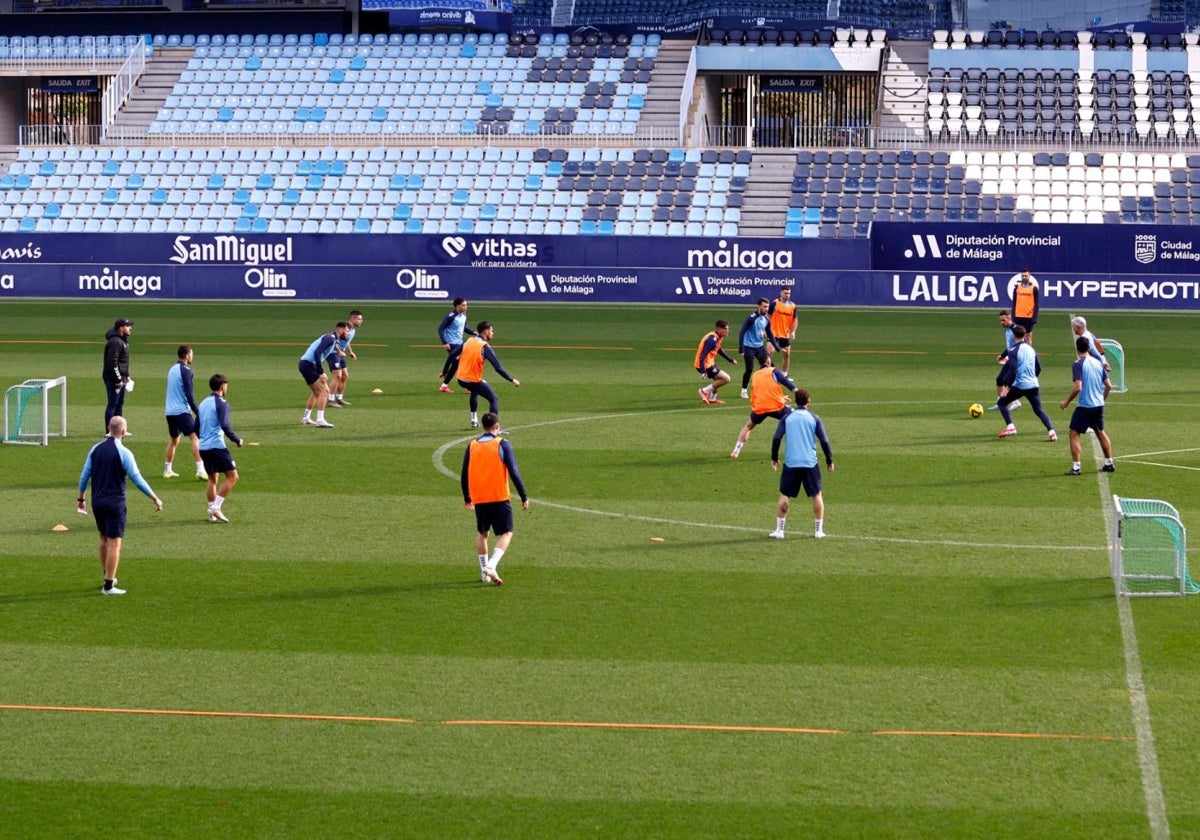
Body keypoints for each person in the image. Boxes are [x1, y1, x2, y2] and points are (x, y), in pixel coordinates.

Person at [76, 415, 163, 595]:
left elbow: (85, 476)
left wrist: (81, 499)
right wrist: (154, 497)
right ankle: (109, 586)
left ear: (109, 429)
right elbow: (137, 479)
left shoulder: (95, 449)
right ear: (123, 432)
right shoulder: (124, 453)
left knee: (103, 538)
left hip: (97, 502)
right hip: (115, 503)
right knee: (115, 543)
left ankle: (107, 575)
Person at [461, 411, 529, 585]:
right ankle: (491, 565)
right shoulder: (502, 444)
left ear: (483, 426)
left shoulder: (472, 445)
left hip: (479, 497)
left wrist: (467, 497)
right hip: (498, 496)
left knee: (482, 533)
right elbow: (514, 472)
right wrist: (523, 495)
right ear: (497, 426)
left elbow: (464, 474)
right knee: (507, 532)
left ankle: (484, 573)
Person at [769, 388, 834, 539]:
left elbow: (777, 438)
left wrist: (774, 457)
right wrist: (829, 460)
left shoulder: (787, 418)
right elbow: (824, 441)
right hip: (810, 463)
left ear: (795, 401)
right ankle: (818, 530)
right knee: (816, 495)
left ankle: (780, 530)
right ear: (808, 401)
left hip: (791, 463)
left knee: (785, 495)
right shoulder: (814, 418)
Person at [1059, 335, 1116, 476]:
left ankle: (1076, 467)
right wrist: (1101, 399)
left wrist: (1066, 401)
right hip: (1098, 405)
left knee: (1073, 433)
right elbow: (1108, 386)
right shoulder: (1098, 363)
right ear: (1089, 348)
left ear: (1077, 349)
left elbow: (1078, 387)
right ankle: (1109, 463)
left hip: (1085, 406)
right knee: (1100, 432)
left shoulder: (1078, 364)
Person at [453, 321, 520, 429]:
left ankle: (474, 419)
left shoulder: (469, 341)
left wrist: (445, 371)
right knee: (494, 399)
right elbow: (498, 368)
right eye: (492, 331)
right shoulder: (485, 347)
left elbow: (452, 354)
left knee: (474, 391)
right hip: (472, 379)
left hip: (461, 378)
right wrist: (512, 379)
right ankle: (494, 428)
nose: (493, 333)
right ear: (486, 331)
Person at [996, 325, 1057, 441]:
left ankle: (1011, 426)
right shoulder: (1031, 349)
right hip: (1033, 385)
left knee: (1001, 403)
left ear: (1014, 336)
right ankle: (1052, 432)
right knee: (1039, 410)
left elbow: (1013, 368)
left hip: (1020, 385)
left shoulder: (1013, 350)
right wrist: (1032, 378)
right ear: (1025, 335)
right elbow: (1039, 367)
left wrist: (1006, 387)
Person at [197, 373, 243, 522]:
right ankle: (216, 507)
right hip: (216, 446)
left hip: (203, 447)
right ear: (223, 386)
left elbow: (195, 426)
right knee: (232, 477)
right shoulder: (222, 403)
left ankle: (211, 512)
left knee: (212, 478)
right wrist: (237, 440)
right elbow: (225, 425)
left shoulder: (203, 403)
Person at [730, 356, 797, 459]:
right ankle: (797, 449)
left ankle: (736, 451)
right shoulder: (774, 371)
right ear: (768, 361)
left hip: (760, 407)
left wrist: (781, 397)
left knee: (748, 426)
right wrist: (799, 393)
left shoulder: (755, 375)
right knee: (796, 418)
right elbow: (788, 384)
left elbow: (763, 392)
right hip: (776, 407)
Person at [163, 344, 206, 480]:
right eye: (192, 354)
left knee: (174, 440)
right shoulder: (186, 371)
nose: (192, 356)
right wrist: (198, 412)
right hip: (181, 411)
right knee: (195, 438)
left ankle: (167, 470)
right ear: (187, 355)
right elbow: (189, 394)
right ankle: (200, 470)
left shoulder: (172, 369)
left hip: (169, 412)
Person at [299, 321, 349, 428]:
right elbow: (317, 352)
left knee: (316, 392)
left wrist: (339, 352)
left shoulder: (332, 338)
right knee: (324, 391)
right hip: (309, 364)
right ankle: (320, 420)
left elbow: (333, 345)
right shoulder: (330, 338)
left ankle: (306, 417)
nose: (347, 334)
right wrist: (321, 372)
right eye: (346, 331)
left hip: (304, 364)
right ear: (340, 329)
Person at [737, 298, 779, 398]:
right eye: (764, 307)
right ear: (759, 306)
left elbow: (770, 334)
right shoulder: (751, 318)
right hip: (749, 347)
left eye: (768, 307)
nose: (766, 309)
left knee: (771, 366)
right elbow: (742, 332)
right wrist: (741, 348)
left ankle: (771, 387)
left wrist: (777, 347)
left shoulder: (766, 319)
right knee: (749, 369)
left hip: (759, 346)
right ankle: (744, 390)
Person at [437, 297, 476, 393]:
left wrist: (473, 332)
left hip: (460, 343)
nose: (466, 307)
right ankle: (468, 386)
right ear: (457, 306)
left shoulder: (464, 316)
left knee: (456, 365)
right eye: (463, 305)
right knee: (463, 362)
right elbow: (440, 329)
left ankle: (444, 385)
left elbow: (463, 328)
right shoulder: (451, 316)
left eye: (466, 305)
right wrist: (445, 342)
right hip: (451, 343)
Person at [102, 317, 134, 431]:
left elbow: (122, 360)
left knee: (119, 403)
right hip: (114, 379)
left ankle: (119, 430)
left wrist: (127, 374)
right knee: (113, 404)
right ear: (121, 328)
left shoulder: (122, 340)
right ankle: (109, 431)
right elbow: (112, 362)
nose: (131, 328)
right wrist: (117, 380)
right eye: (128, 326)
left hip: (122, 377)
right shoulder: (115, 342)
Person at [695, 319, 737, 405]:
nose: (727, 331)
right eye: (725, 329)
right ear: (718, 329)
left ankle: (712, 399)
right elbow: (702, 356)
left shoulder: (717, 337)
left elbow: (719, 349)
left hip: (710, 363)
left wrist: (730, 360)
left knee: (717, 380)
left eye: (728, 329)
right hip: (705, 365)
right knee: (726, 379)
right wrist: (703, 371)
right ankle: (703, 391)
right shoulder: (711, 340)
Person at [327, 310, 363, 407]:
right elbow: (333, 340)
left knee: (345, 376)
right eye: (359, 319)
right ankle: (330, 400)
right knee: (337, 376)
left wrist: (350, 351)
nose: (361, 321)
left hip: (340, 353)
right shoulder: (344, 328)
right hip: (333, 352)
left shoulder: (353, 329)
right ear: (353, 319)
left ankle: (339, 398)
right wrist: (339, 351)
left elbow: (347, 341)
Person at [988, 310, 1021, 411]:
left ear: (1009, 318)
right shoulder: (1007, 329)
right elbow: (1010, 346)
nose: (1001, 322)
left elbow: (1021, 344)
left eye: (1003, 320)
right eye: (1000, 321)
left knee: (1007, 380)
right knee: (1000, 379)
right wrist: (1002, 355)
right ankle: (1003, 403)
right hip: (1010, 358)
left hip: (1016, 360)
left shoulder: (1015, 329)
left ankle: (1013, 402)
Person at [768, 285, 799, 373]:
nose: (787, 295)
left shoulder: (793, 306)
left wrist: (793, 332)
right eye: (785, 293)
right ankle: (768, 373)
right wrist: (765, 330)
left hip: (785, 334)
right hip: (773, 333)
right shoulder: (774, 304)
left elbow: (795, 319)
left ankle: (785, 375)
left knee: (786, 355)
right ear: (781, 293)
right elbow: (768, 317)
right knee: (769, 353)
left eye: (789, 293)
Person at [1010, 267, 1039, 342]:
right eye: (1023, 276)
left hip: (1028, 317)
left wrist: (1034, 318)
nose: (1024, 277)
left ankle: (1029, 353)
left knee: (1028, 336)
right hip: (1018, 316)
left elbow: (1036, 304)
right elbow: (1014, 303)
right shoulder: (1017, 288)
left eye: (1026, 276)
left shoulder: (1034, 289)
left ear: (1029, 276)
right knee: (1016, 336)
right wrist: (1013, 316)